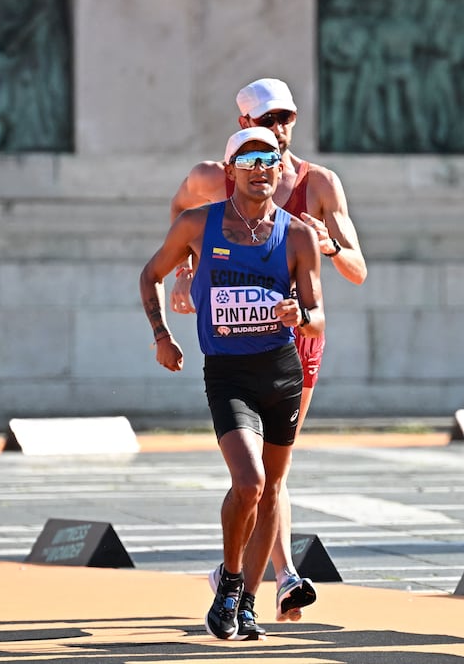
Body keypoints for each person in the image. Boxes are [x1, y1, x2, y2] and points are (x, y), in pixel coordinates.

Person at [168, 78, 367, 622]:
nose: (277, 129)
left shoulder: (318, 183)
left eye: (285, 118)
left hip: (297, 340)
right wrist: (185, 272)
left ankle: (245, 576)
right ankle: (281, 577)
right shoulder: (214, 178)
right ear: (243, 126)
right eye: (265, 120)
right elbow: (179, 212)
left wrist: (330, 246)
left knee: (274, 472)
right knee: (256, 475)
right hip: (236, 347)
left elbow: (357, 270)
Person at [139, 127, 325, 640]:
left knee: (270, 493)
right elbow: (150, 273)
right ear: (230, 172)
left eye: (270, 159)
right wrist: (162, 336)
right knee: (250, 483)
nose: (262, 169)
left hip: (281, 373)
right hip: (227, 374)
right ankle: (230, 582)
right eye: (250, 161)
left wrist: (299, 312)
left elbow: (318, 318)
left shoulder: (299, 235)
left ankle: (247, 604)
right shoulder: (199, 225)